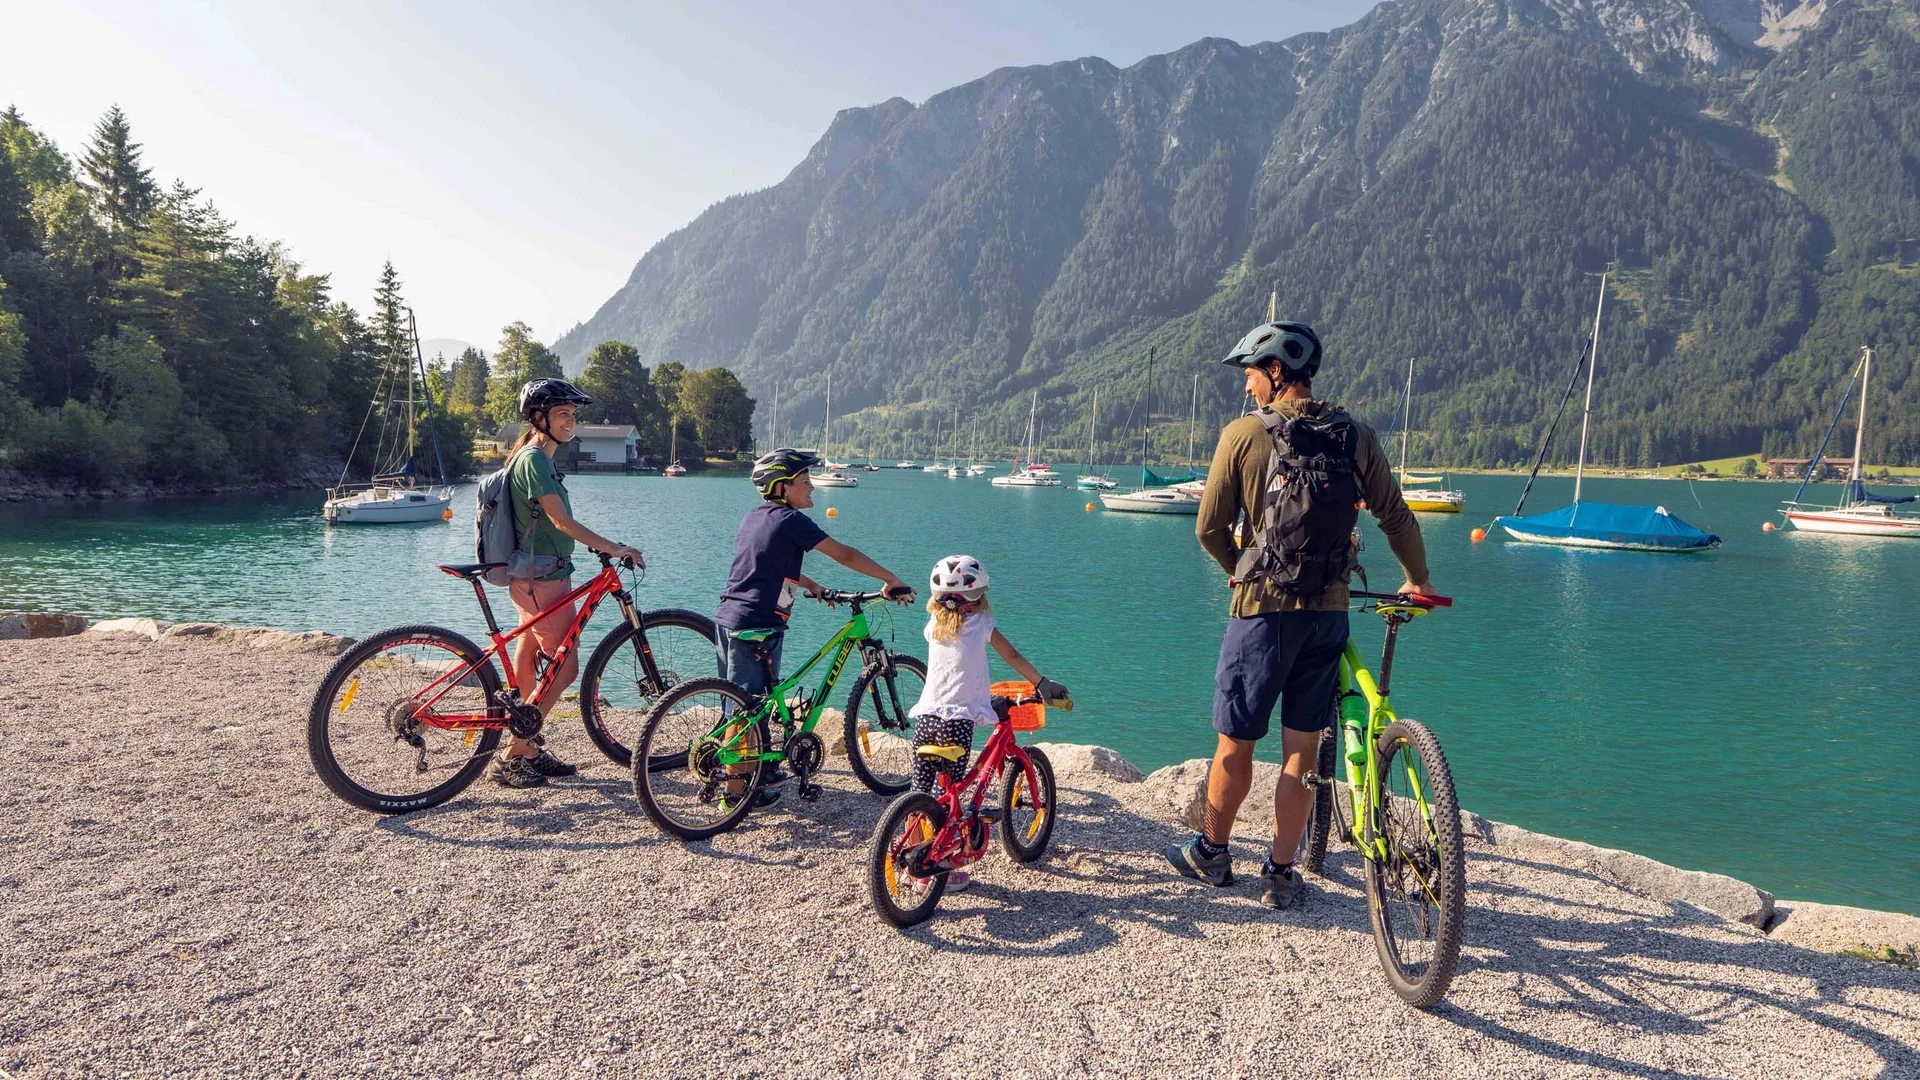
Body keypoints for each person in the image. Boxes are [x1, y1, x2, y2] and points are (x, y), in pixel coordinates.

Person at [1167, 321, 1438, 908]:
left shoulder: (1243, 434)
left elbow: (1208, 528)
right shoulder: (1355, 436)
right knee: (1302, 750)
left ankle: (1211, 854)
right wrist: (1417, 579)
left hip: (1260, 614)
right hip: (1327, 617)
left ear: (1275, 372)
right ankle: (1280, 873)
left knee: (1236, 743)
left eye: (1250, 375)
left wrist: (1240, 569)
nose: (1247, 388)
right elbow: (1395, 516)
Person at [716, 447, 915, 805]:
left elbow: (766, 565)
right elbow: (844, 554)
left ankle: (760, 769)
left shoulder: (756, 516)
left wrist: (813, 586)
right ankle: (734, 794)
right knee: (745, 710)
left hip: (731, 617)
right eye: (804, 481)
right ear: (782, 487)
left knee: (751, 702)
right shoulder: (791, 520)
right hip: (757, 622)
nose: (812, 487)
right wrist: (890, 579)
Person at [489, 378, 645, 789]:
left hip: (534, 575)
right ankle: (512, 755)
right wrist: (614, 547)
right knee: (566, 668)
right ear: (539, 417)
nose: (570, 420)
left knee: (528, 654)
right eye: (562, 413)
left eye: (573, 414)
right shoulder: (535, 460)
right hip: (542, 579)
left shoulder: (533, 456)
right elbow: (559, 520)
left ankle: (528, 746)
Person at [906, 555, 1069, 891]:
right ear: (978, 596)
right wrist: (1041, 683)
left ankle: (912, 858)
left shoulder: (933, 625)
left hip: (925, 718)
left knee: (921, 793)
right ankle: (940, 871)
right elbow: (1011, 655)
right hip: (957, 723)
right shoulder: (981, 623)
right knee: (949, 798)